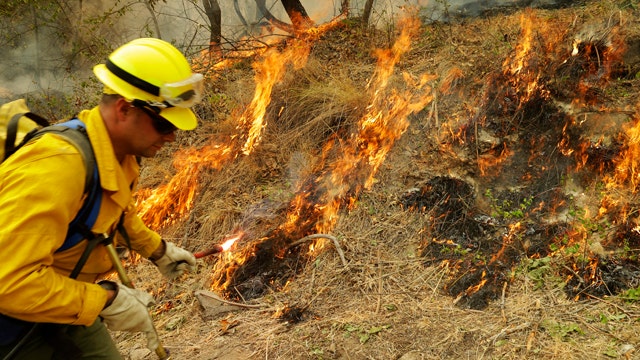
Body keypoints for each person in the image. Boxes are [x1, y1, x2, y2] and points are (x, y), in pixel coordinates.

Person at [0, 38, 202, 359]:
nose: (172, 135)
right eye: (164, 123)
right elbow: (8, 282)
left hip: (59, 294)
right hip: (10, 325)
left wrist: (157, 250)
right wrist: (106, 298)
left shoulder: (118, 154)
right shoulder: (58, 167)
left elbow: (114, 212)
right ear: (124, 108)